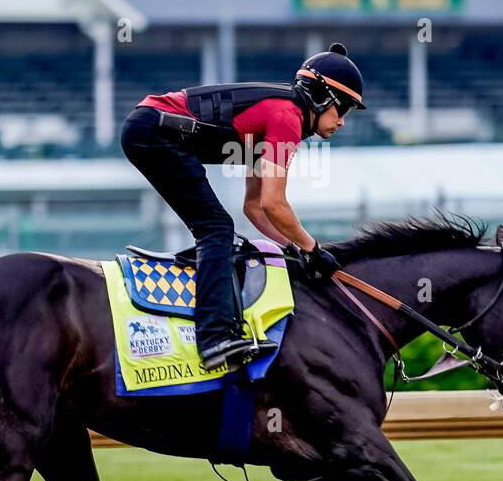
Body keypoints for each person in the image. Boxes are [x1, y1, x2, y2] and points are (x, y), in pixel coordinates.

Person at [120, 42, 366, 372]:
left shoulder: (283, 115)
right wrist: (313, 249)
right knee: (216, 229)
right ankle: (214, 338)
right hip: (154, 131)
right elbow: (274, 203)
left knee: (219, 228)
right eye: (344, 109)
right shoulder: (287, 118)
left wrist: (293, 249)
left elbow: (254, 207)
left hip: (150, 127)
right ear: (322, 98)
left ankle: (213, 331)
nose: (342, 122)